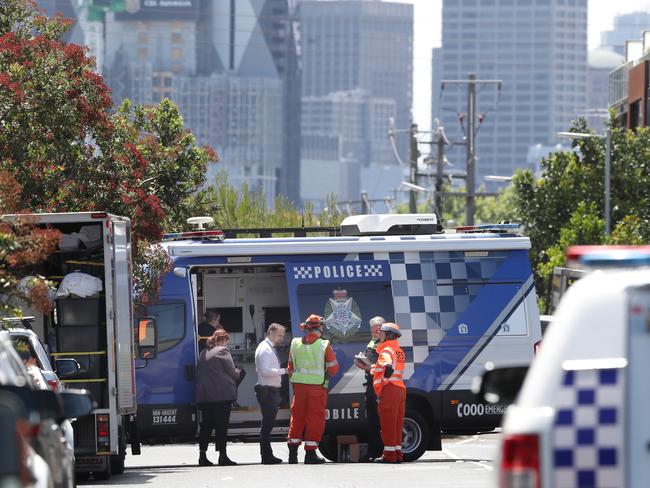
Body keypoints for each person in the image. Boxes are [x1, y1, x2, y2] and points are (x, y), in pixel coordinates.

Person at [286, 314, 339, 464]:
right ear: (320, 327)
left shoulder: (295, 343)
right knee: (315, 419)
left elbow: (290, 368)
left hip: (299, 388)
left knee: (297, 418)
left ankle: (292, 453)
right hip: (317, 388)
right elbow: (333, 369)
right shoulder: (323, 345)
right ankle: (310, 454)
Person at [196, 329, 242, 467]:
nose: (227, 345)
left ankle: (202, 456)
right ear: (223, 340)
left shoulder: (203, 352)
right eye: (227, 341)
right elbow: (233, 373)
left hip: (205, 396)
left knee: (206, 427)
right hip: (221, 395)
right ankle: (222, 456)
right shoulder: (223, 351)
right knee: (221, 427)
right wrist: (240, 371)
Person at [372, 322, 406, 464]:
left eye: (382, 333)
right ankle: (397, 454)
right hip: (400, 389)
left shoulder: (386, 351)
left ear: (388, 335)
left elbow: (387, 368)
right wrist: (374, 370)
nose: (379, 335)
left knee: (387, 425)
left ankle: (389, 456)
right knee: (397, 424)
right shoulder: (399, 350)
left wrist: (383, 383)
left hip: (390, 390)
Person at [254, 323, 288, 464]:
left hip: (270, 390)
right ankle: (266, 456)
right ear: (271, 332)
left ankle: (267, 455)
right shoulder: (265, 349)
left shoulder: (267, 348)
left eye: (282, 335)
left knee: (267, 424)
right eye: (279, 335)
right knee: (267, 425)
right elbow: (265, 371)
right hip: (268, 390)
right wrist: (284, 371)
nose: (281, 338)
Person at [353, 316, 385, 461]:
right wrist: (363, 359)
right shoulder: (374, 341)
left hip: (380, 385)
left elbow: (382, 366)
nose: (373, 334)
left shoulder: (386, 344)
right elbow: (372, 360)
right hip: (371, 382)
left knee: (379, 421)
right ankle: (373, 452)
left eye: (376, 331)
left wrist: (366, 366)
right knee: (372, 420)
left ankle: (379, 452)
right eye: (372, 331)